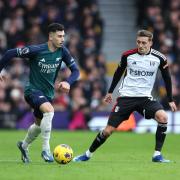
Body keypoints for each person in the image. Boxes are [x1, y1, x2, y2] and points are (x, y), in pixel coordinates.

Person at [73, 29, 177, 163]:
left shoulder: (160, 58)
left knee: (163, 117)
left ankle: (157, 155)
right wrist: (110, 92)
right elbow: (118, 73)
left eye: (144, 43)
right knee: (107, 131)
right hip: (126, 98)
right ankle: (87, 154)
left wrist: (170, 99)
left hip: (145, 98)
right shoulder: (128, 55)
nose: (140, 45)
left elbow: (167, 78)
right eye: (138, 42)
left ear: (150, 43)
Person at [0, 23, 80, 163]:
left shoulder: (63, 52)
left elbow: (76, 71)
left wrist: (68, 82)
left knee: (38, 125)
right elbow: (9, 53)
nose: (62, 39)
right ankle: (46, 150)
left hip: (48, 94)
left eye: (63, 36)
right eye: (59, 36)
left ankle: (24, 146)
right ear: (50, 36)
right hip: (32, 91)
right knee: (49, 111)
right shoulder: (36, 50)